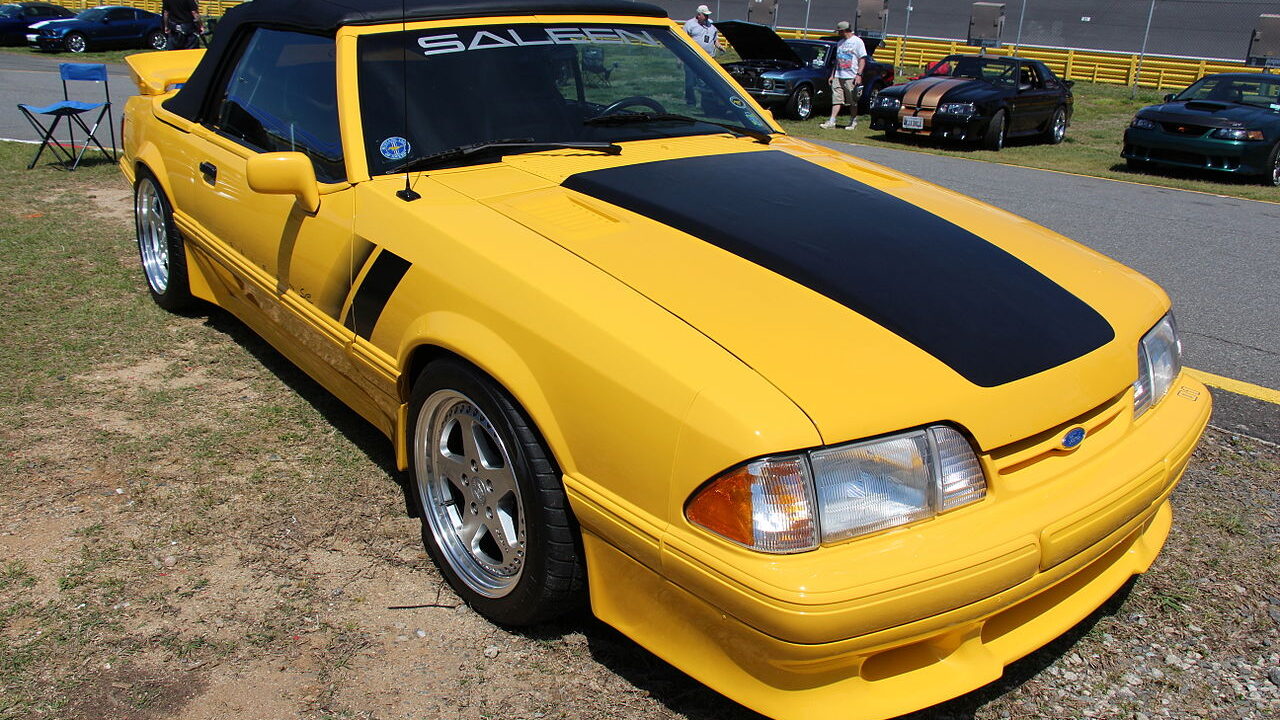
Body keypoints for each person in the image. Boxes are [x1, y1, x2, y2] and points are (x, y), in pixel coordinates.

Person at [819, 21, 867, 130]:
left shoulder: (857, 42)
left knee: (852, 100)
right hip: (839, 75)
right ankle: (832, 121)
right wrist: (833, 75)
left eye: (839, 31)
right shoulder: (840, 43)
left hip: (851, 75)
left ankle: (853, 121)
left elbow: (862, 59)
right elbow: (837, 61)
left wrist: (858, 75)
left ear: (844, 31)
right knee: (836, 99)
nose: (838, 33)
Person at [683, 5, 718, 105]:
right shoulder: (689, 24)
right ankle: (690, 101)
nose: (707, 17)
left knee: (706, 82)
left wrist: (719, 46)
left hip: (708, 58)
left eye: (707, 15)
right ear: (698, 15)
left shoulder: (711, 24)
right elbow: (682, 40)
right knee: (690, 82)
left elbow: (715, 39)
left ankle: (705, 103)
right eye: (705, 15)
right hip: (692, 58)